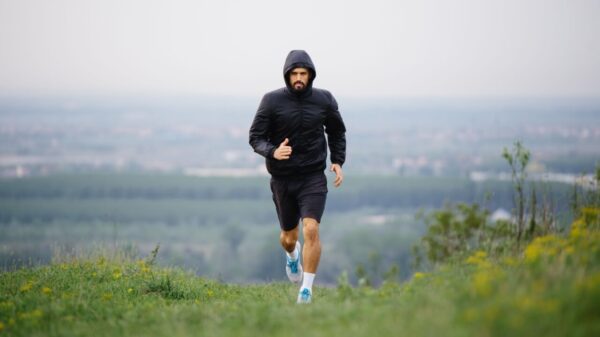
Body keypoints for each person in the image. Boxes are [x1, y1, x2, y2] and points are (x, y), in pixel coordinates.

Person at [249, 50, 346, 304]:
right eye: (295, 74)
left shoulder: (324, 99)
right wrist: (273, 151)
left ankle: (307, 290)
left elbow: (337, 131)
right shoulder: (271, 101)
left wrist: (337, 161)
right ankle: (292, 256)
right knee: (288, 238)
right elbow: (255, 137)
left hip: (313, 176)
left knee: (311, 229)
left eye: (304, 73)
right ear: (287, 75)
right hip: (282, 179)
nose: (299, 78)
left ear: (311, 75)